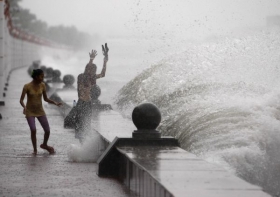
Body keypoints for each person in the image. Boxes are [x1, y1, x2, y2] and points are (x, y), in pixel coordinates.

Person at [20, 69, 63, 154]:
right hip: (30, 111)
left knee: (47, 130)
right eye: (41, 76)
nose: (43, 78)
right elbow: (21, 100)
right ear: (36, 77)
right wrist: (24, 107)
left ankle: (44, 144)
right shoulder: (27, 86)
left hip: (40, 111)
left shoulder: (42, 85)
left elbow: (45, 99)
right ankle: (35, 150)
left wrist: (55, 102)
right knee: (33, 129)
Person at [75, 43, 109, 143]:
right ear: (88, 69)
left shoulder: (92, 78)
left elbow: (103, 74)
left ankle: (84, 144)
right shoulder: (81, 77)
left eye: (94, 70)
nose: (94, 72)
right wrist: (91, 59)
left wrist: (105, 61)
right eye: (92, 70)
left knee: (87, 124)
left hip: (88, 103)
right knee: (80, 124)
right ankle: (81, 145)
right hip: (81, 103)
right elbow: (88, 71)